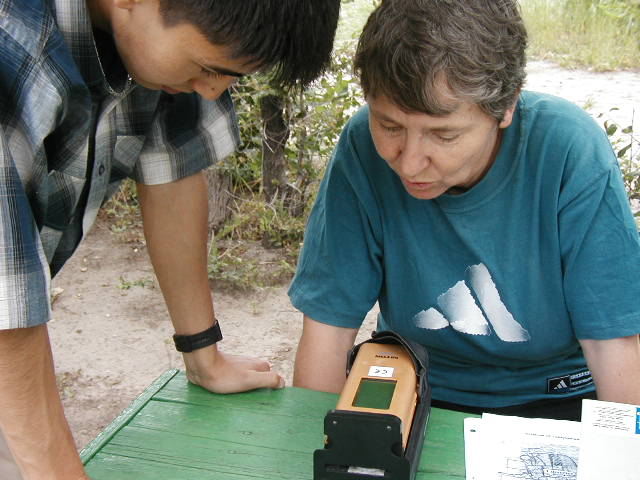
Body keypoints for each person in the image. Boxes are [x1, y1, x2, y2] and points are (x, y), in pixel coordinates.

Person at [0, 0, 340, 478]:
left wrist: (203, 353)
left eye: (230, 77)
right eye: (206, 69)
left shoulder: (156, 39)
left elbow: (173, 172)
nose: (211, 91)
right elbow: (6, 300)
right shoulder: (10, 40)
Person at [289, 0, 640, 422]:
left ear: (506, 106)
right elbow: (329, 326)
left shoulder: (568, 149)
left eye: (444, 135)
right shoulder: (362, 146)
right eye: (390, 126)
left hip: (558, 392)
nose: (409, 162)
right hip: (417, 383)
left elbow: (614, 342)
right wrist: (316, 447)